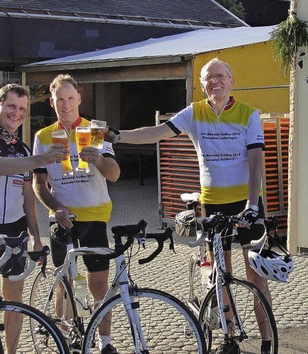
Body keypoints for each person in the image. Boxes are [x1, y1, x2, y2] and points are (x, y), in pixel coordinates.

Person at [105, 58, 272, 354]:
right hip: (212, 204)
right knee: (221, 273)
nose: (214, 82)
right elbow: (157, 132)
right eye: (208, 78)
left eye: (220, 76)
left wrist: (251, 204)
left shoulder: (249, 114)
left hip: (246, 204)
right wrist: (119, 136)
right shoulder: (195, 112)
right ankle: (230, 336)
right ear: (203, 84)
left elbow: (256, 159)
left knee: (255, 274)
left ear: (232, 81)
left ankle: (267, 340)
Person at [0, 83, 68, 353]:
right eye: (11, 106)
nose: (16, 113)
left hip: (15, 228)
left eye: (22, 109)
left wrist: (36, 237)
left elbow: (29, 196)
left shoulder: (22, 148)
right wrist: (40, 158)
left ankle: (11, 351)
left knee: (15, 297)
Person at [32, 74, 121, 354]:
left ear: (79, 99)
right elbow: (38, 183)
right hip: (62, 218)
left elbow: (115, 175)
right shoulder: (43, 136)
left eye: (71, 98)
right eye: (60, 99)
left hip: (94, 216)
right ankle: (66, 339)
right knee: (66, 283)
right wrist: (55, 207)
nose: (66, 105)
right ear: (52, 102)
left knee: (99, 282)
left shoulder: (96, 130)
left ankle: (104, 341)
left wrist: (101, 161)